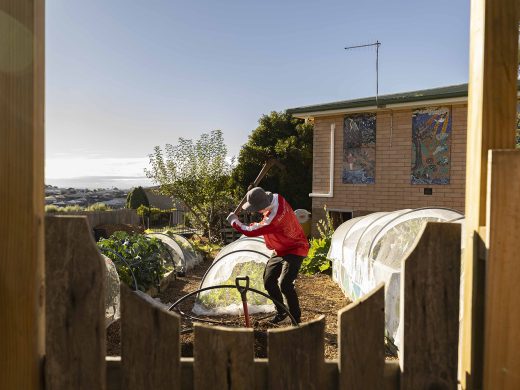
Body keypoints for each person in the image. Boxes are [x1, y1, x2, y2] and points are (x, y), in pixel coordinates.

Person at [227, 187, 309, 324]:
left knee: (286, 284)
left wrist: (234, 221)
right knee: (269, 281)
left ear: (263, 205)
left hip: (296, 247)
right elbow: (263, 222)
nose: (256, 211)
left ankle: (296, 318)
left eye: (256, 208)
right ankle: (282, 311)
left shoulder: (274, 219)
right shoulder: (277, 197)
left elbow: (251, 231)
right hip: (280, 249)